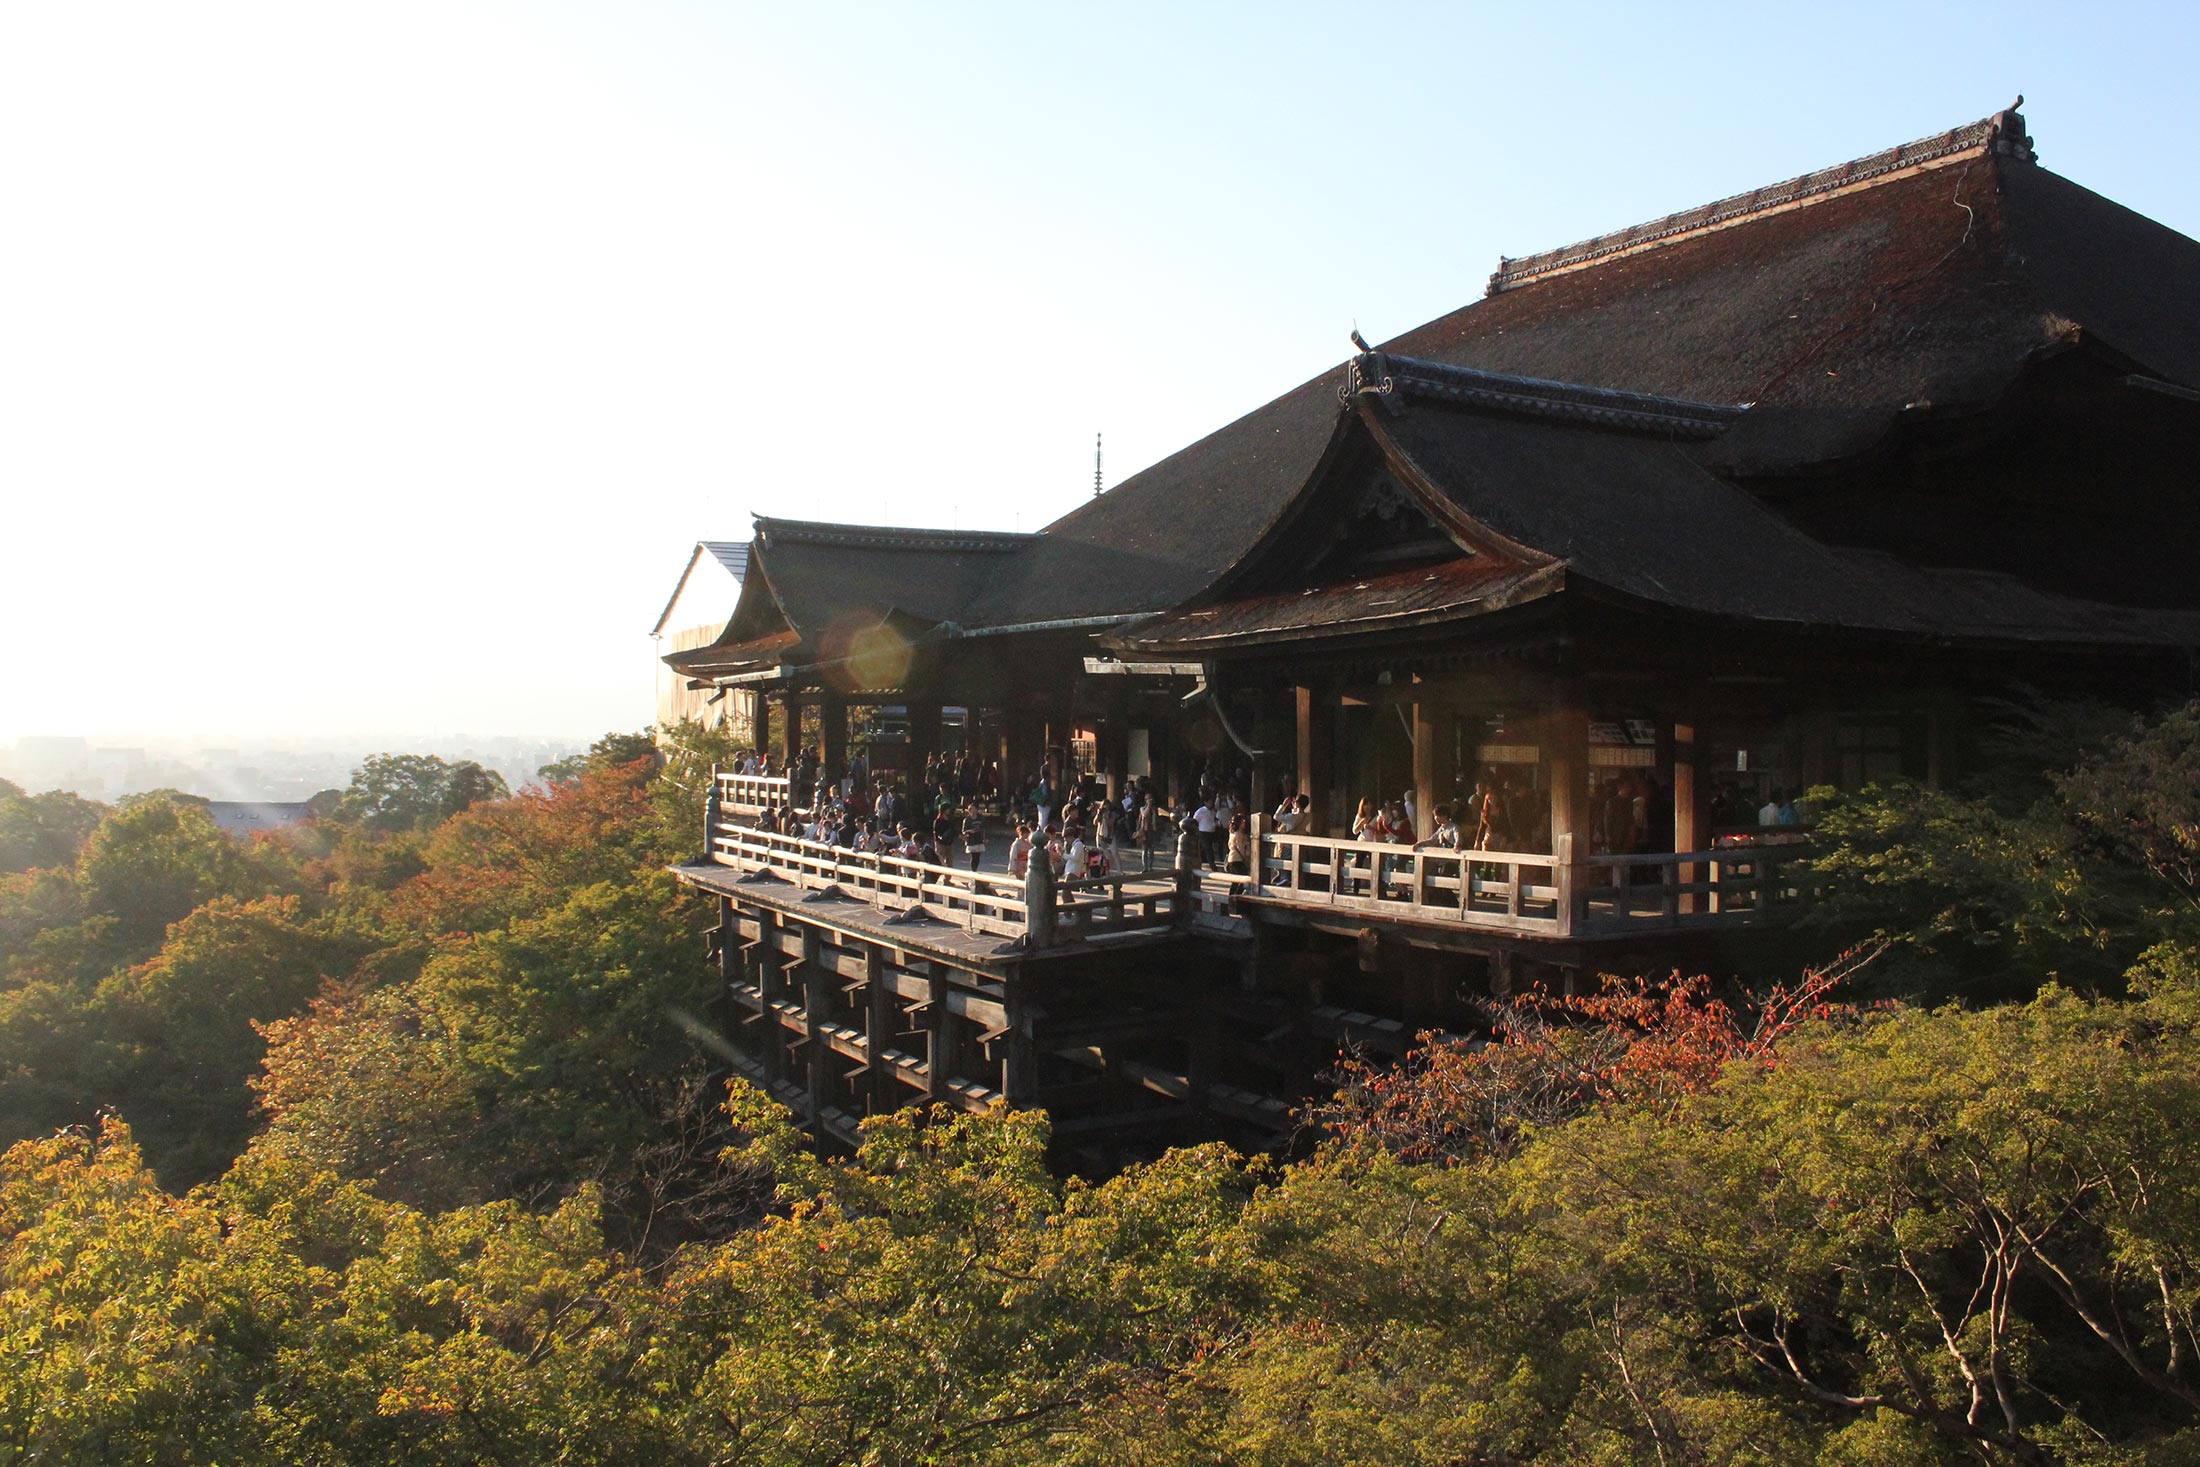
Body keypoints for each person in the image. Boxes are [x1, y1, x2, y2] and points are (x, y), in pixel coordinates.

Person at [960, 805, 986, 872]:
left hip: (979, 839)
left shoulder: (980, 818)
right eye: (972, 809)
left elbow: (984, 828)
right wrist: (969, 831)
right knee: (973, 856)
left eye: (975, 809)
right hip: (971, 840)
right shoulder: (967, 820)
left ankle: (975, 869)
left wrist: (984, 837)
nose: (974, 811)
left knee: (977, 857)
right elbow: (963, 831)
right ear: (969, 810)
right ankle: (973, 871)